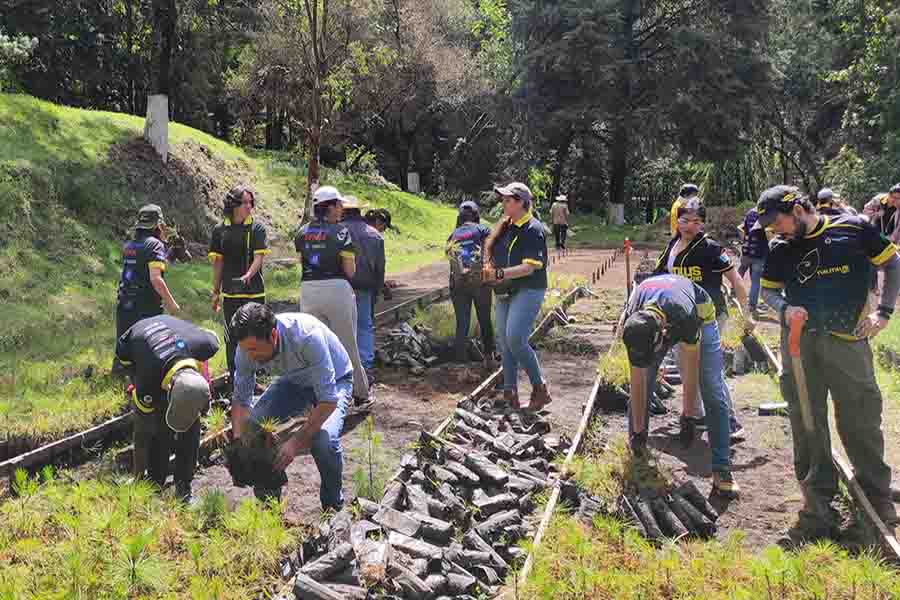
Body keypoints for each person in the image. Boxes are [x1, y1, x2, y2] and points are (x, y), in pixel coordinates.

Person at [756, 185, 900, 544]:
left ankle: (876, 498)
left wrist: (884, 312)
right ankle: (819, 504)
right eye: (771, 227)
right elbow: (769, 291)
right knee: (806, 420)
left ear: (799, 208)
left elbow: (891, 262)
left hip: (848, 342)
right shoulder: (781, 248)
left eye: (779, 222)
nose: (777, 231)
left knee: (860, 417)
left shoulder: (853, 229)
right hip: (800, 346)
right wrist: (784, 309)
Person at [619, 274, 739, 497]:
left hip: (701, 313)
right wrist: (638, 433)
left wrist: (689, 414)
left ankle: (722, 469)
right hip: (655, 312)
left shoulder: (686, 318)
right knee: (644, 383)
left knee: (712, 389)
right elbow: (637, 382)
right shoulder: (633, 326)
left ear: (661, 336)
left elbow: (689, 370)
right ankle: (639, 459)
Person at [229, 303, 351, 509]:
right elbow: (241, 401)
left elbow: (328, 400)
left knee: (324, 442)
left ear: (274, 336)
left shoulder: (306, 336)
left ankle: (332, 506)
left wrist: (295, 443)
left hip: (336, 381)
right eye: (245, 349)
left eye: (254, 350)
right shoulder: (245, 350)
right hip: (294, 382)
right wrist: (240, 442)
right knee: (252, 427)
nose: (250, 356)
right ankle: (269, 504)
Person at [653, 197, 752, 441]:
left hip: (708, 318)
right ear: (677, 221)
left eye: (696, 222)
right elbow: (658, 279)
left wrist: (747, 313)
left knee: (709, 372)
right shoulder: (671, 247)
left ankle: (728, 421)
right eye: (685, 220)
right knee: (687, 370)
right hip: (679, 319)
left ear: (703, 225)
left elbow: (736, 281)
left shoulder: (710, 248)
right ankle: (696, 415)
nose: (690, 226)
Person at [115, 315, 219, 501]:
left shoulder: (205, 344)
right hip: (135, 345)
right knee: (158, 426)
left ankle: (184, 487)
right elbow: (141, 433)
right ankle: (154, 483)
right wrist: (138, 476)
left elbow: (211, 336)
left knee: (191, 427)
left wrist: (202, 385)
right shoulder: (147, 383)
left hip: (176, 338)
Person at [295, 186, 370, 405]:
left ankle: (321, 397)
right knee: (347, 344)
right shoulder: (341, 232)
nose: (341, 209)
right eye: (339, 205)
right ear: (329, 207)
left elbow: (302, 262)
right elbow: (350, 271)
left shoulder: (302, 233)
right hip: (337, 289)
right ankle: (360, 393)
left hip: (308, 290)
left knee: (315, 346)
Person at [482, 182, 550, 411]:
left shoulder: (534, 229)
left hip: (529, 289)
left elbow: (529, 268)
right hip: (504, 290)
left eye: (508, 200)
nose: (503, 203)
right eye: (503, 199)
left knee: (515, 339)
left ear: (521, 202)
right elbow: (493, 254)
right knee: (504, 342)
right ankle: (509, 392)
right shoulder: (505, 226)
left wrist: (499, 273)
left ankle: (540, 388)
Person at [209, 185, 270, 382]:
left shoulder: (257, 229)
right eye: (245, 202)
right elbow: (218, 262)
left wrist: (247, 276)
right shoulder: (220, 230)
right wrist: (215, 292)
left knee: (258, 333)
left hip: (254, 292)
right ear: (233, 204)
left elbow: (258, 258)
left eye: (251, 203)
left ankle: (258, 376)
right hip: (230, 295)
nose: (249, 206)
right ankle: (235, 377)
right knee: (232, 337)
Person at [115, 205, 180, 345]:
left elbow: (141, 268)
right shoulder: (155, 245)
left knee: (124, 353)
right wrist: (172, 304)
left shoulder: (129, 245)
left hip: (124, 306)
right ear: (157, 225)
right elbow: (156, 279)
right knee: (147, 352)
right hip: (146, 309)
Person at [341, 195, 386, 382]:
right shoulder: (374, 234)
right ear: (359, 211)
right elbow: (380, 266)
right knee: (365, 326)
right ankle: (366, 367)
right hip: (366, 287)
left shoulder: (338, 231)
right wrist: (378, 287)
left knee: (343, 326)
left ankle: (344, 366)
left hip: (342, 286)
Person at [447, 201, 495, 367]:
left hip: (458, 281)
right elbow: (490, 251)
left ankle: (460, 362)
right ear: (476, 215)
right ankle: (489, 358)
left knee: (462, 322)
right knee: (484, 319)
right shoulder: (483, 230)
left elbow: (450, 256)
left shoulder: (453, 234)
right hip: (479, 280)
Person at [737, 204, 770, 317]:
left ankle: (733, 293)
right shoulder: (766, 215)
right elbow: (770, 233)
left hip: (747, 250)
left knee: (741, 272)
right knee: (756, 281)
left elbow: (744, 229)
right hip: (759, 253)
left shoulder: (750, 213)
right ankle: (752, 305)